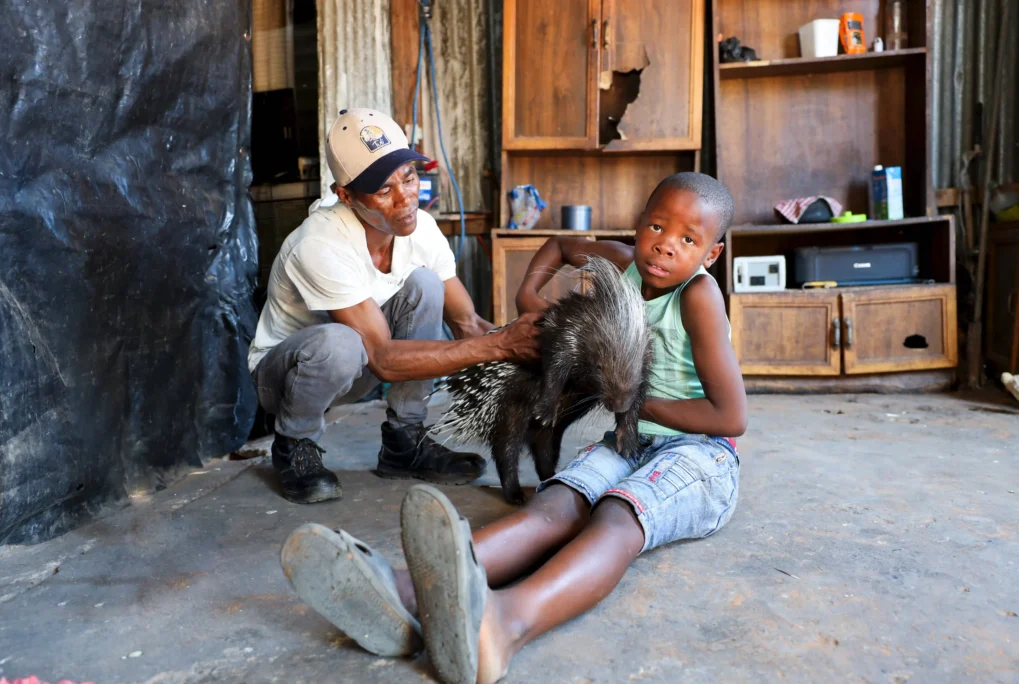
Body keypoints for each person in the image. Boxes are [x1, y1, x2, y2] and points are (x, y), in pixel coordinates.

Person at [279, 172, 748, 681]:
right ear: (638, 226)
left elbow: (730, 417)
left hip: (701, 454)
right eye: (657, 227)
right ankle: (402, 594)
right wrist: (529, 293)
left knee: (616, 518)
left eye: (687, 239)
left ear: (710, 255)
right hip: (629, 441)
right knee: (554, 505)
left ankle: (506, 622)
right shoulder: (624, 264)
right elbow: (561, 245)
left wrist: (626, 400)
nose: (665, 247)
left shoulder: (698, 297)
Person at [249, 108, 540, 504]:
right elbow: (383, 359)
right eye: (384, 190)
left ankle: (405, 442)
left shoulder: (420, 228)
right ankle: (294, 443)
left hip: (360, 366)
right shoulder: (319, 243)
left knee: (424, 284)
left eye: (409, 177)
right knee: (342, 342)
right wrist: (502, 345)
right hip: (286, 378)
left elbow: (468, 325)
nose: (405, 199)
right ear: (346, 196)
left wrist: (539, 351)